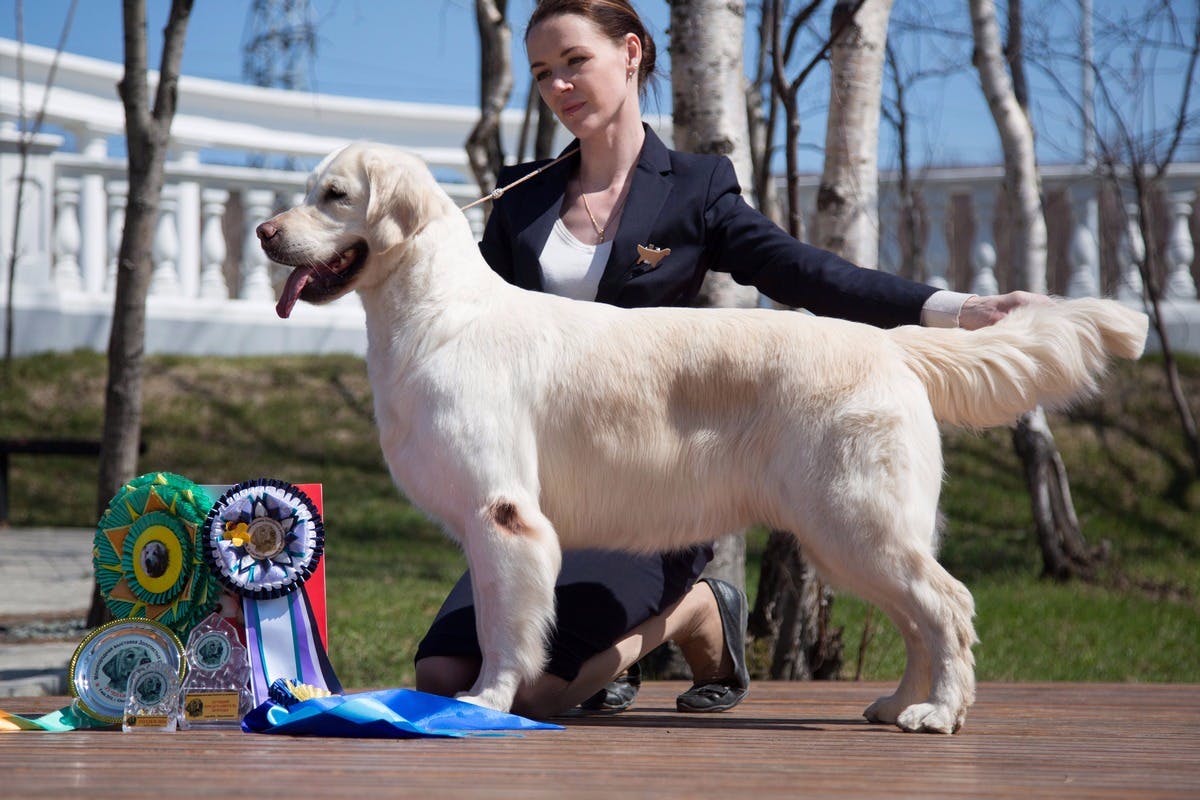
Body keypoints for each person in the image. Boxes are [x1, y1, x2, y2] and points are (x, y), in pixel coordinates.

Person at [414, 0, 1044, 719]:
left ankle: (688, 610)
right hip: (546, 500)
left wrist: (951, 309)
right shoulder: (520, 201)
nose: (560, 86)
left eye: (575, 62)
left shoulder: (694, 187)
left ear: (631, 53)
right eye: (543, 73)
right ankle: (615, 649)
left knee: (535, 692)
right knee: (440, 675)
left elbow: (800, 270)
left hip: (661, 490)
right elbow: (465, 320)